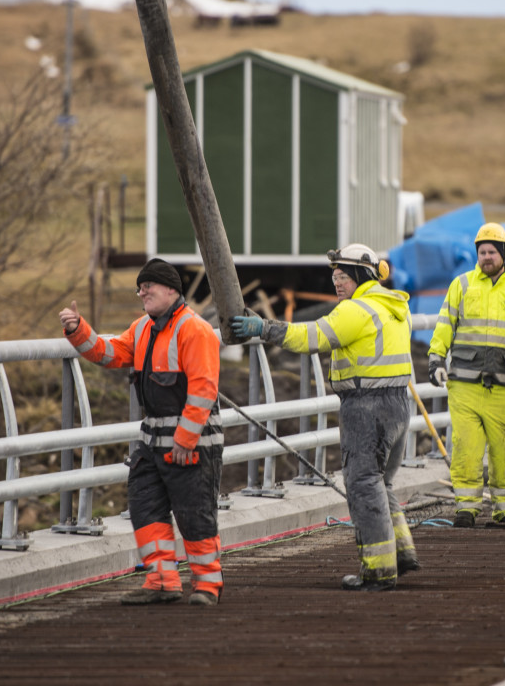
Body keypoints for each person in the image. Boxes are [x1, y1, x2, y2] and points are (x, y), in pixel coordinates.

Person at [230, 243, 419, 592]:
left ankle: (379, 571)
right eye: (334, 276)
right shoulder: (395, 307)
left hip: (366, 406)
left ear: (361, 276)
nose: (336, 283)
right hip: (397, 403)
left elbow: (311, 337)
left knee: (364, 484)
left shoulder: (356, 311)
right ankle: (402, 554)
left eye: (343, 276)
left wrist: (263, 328)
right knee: (382, 483)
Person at [58, 258, 224, 606]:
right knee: (144, 506)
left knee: (195, 513)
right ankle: (162, 580)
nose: (141, 291)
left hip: (190, 442)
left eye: (148, 286)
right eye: (140, 287)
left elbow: (204, 390)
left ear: (171, 290)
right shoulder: (142, 328)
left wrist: (185, 439)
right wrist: (78, 330)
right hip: (152, 440)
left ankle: (207, 585)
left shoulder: (195, 330)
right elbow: (108, 353)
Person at [427, 222, 505, 527]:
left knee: (502, 449)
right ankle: (466, 508)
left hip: (503, 386)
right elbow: (445, 324)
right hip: (463, 384)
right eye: (481, 252)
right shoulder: (462, 285)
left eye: (491, 252)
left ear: (504, 254)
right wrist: (436, 359)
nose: (486, 257)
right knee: (466, 447)